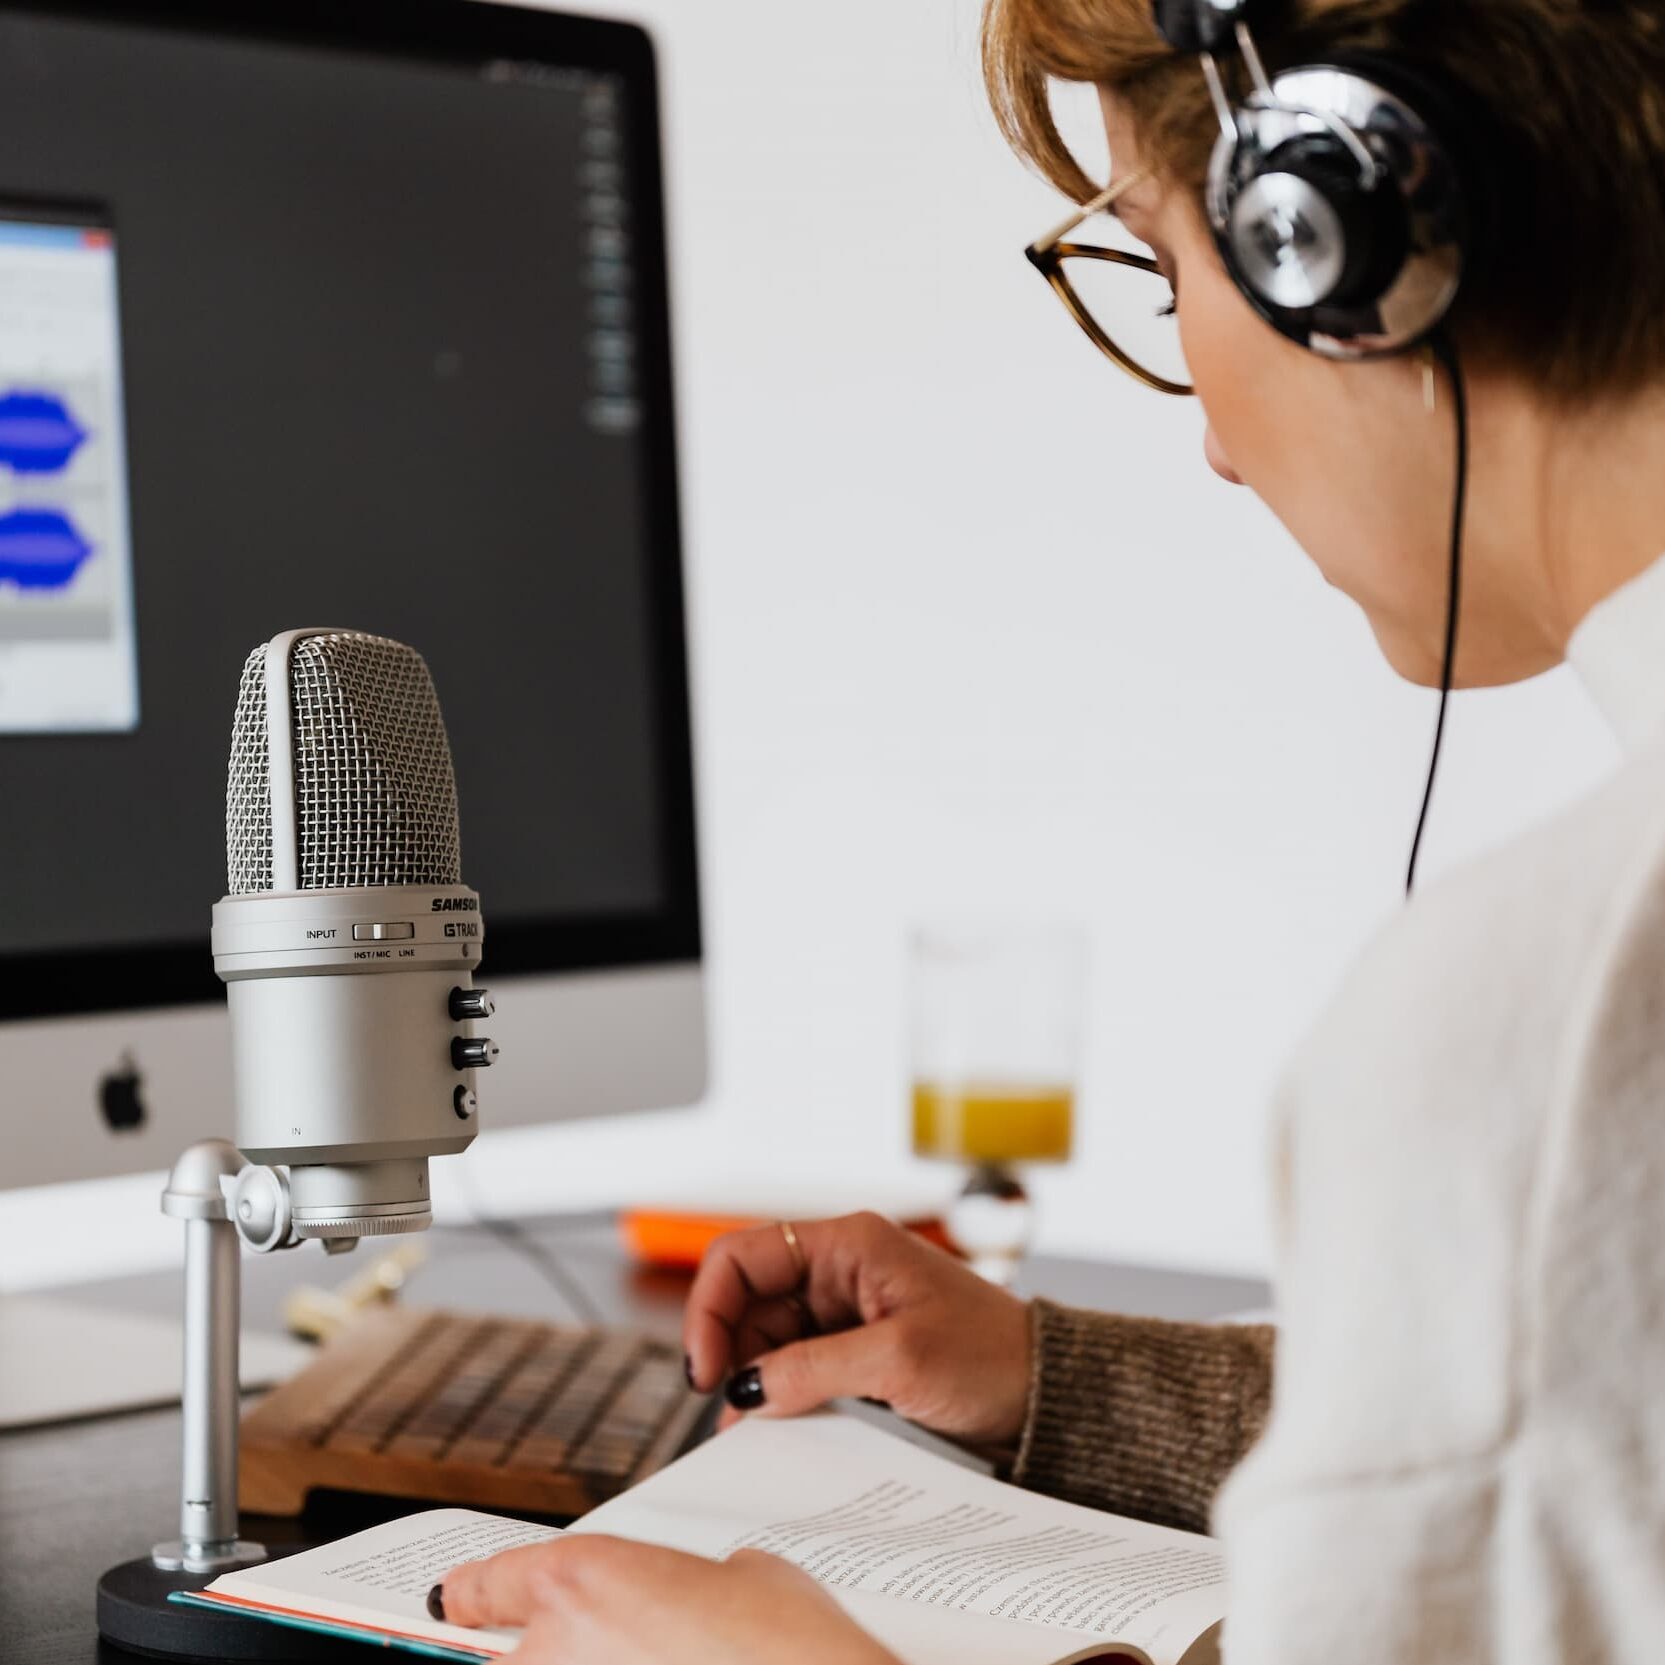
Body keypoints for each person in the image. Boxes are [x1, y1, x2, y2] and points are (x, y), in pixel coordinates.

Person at [433, 1, 1665, 1659]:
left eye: (1168, 269)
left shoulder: (1552, 1032)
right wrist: (1056, 1379)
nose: (1216, 446)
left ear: (1340, 231)